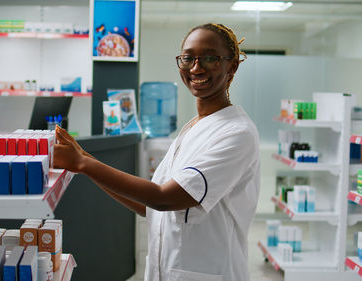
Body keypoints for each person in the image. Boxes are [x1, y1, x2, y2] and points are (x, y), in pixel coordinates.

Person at [53, 23, 260, 281]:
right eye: (188, 58)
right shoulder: (193, 128)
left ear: (233, 65)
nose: (196, 67)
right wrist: (84, 160)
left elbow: (165, 198)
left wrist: (84, 163)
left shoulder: (237, 133)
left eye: (210, 58)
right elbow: (148, 206)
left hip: (210, 272)